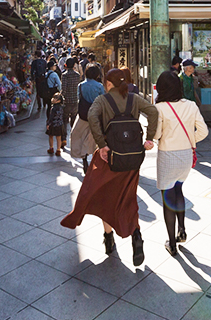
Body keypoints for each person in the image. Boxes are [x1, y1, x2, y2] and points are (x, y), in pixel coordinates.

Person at [61, 68, 158, 267]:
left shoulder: (102, 101)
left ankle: (108, 238)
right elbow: (153, 111)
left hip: (109, 158)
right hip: (132, 158)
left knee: (103, 196)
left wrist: (102, 144)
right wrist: (149, 138)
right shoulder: (134, 99)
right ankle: (136, 236)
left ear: (109, 84)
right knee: (128, 197)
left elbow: (92, 117)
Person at [153, 71, 209, 256]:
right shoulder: (191, 105)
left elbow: (156, 135)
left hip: (168, 155)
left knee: (168, 197)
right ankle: (182, 229)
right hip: (186, 155)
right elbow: (203, 131)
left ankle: (172, 242)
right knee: (179, 190)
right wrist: (190, 141)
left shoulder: (160, 108)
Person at [70, 64, 105, 173]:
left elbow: (78, 99)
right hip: (96, 116)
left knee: (78, 134)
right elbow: (103, 101)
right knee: (93, 137)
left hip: (83, 114)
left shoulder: (81, 85)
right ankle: (93, 157)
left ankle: (83, 157)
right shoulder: (99, 86)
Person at [61, 57, 81, 149]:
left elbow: (64, 89)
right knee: (73, 121)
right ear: (74, 65)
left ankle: (63, 139)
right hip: (75, 101)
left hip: (67, 101)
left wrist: (61, 97)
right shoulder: (77, 75)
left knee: (64, 120)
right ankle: (74, 139)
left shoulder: (64, 75)